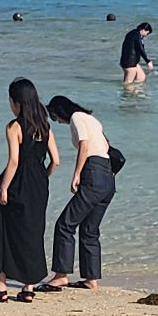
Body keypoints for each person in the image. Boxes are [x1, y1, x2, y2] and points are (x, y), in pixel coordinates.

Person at [0, 78, 59, 304]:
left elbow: (14, 161)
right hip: (39, 184)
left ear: (16, 102)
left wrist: (4, 188)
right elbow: (56, 160)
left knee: (2, 231)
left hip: (18, 182)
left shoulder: (14, 127)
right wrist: (42, 178)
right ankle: (28, 288)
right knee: (32, 233)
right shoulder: (45, 126)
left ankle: (1, 288)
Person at [42, 97, 117, 292]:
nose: (57, 121)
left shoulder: (76, 117)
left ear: (60, 111)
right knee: (90, 230)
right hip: (108, 176)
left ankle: (61, 276)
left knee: (65, 225)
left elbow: (84, 145)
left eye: (54, 116)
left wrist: (77, 174)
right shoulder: (92, 120)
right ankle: (91, 279)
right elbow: (106, 145)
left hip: (93, 172)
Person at [120, 21, 153, 86]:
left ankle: (135, 91)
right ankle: (126, 92)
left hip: (130, 61)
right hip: (130, 63)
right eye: (147, 33)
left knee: (141, 78)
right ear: (143, 30)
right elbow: (141, 49)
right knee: (128, 83)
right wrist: (148, 61)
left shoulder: (132, 33)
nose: (146, 35)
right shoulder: (137, 36)